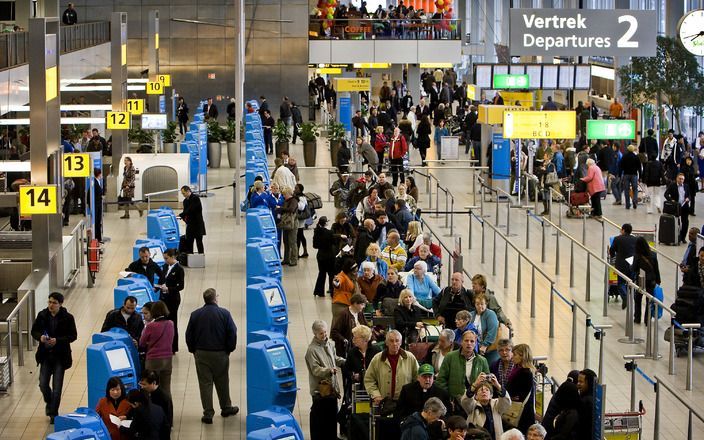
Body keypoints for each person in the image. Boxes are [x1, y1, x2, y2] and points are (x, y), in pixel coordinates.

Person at [185, 288, 239, 423]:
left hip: (201, 353)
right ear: (215, 298)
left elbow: (188, 334)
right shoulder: (224, 314)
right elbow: (232, 332)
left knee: (205, 384)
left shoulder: (195, 314)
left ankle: (208, 413)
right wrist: (229, 349)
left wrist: (193, 350)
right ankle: (226, 407)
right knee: (222, 381)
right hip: (220, 353)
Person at [31, 292, 78, 424]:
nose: (51, 305)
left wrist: (57, 340)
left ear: (60, 304)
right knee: (43, 384)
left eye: (54, 303)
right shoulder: (42, 315)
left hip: (60, 357)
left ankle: (53, 413)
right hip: (45, 355)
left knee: (57, 387)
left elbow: (73, 336)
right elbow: (34, 331)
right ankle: (50, 402)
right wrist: (40, 337)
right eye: (49, 302)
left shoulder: (68, 318)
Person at [305, 320, 346, 440]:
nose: (324, 335)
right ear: (315, 334)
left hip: (332, 388)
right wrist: (328, 370)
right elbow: (315, 370)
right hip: (320, 390)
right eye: (321, 334)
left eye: (325, 332)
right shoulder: (312, 350)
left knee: (332, 416)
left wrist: (344, 361)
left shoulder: (330, 344)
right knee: (320, 419)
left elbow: (334, 358)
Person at [436, 330, 490, 402]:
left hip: (475, 401)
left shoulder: (482, 361)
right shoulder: (450, 357)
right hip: (453, 401)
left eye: (472, 341)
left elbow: (487, 384)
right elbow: (441, 380)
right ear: (461, 342)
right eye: (466, 340)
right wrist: (448, 397)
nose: (469, 343)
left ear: (475, 343)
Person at [138, 300, 174, 396]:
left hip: (153, 360)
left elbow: (141, 343)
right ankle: (168, 410)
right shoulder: (170, 324)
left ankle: (154, 409)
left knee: (151, 388)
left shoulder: (150, 326)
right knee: (166, 388)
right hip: (168, 359)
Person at [461, 374, 511, 439]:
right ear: (476, 396)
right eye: (481, 390)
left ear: (491, 395)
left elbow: (507, 402)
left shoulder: (496, 404)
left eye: (487, 390)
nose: (484, 391)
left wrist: (497, 385)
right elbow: (465, 401)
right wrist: (475, 384)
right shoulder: (472, 405)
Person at [156, 248, 184, 354]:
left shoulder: (179, 269)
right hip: (163, 298)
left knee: (172, 322)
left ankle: (173, 346)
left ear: (173, 257)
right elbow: (161, 279)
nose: (165, 260)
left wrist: (169, 288)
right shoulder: (165, 266)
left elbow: (181, 286)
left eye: (166, 258)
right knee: (161, 322)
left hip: (172, 299)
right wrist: (157, 287)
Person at [505, 343, 536, 433]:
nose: (512, 357)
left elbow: (520, 395)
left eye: (515, 355)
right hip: (519, 410)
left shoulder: (526, 373)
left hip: (522, 413)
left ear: (522, 356)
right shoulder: (517, 369)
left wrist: (510, 395)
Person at [343, 324, 381, 396]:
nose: (353, 340)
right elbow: (346, 370)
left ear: (365, 339)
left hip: (375, 388)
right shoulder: (352, 352)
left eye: (356, 337)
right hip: (358, 389)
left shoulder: (376, 351)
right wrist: (353, 376)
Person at [630, 236, 661, 324]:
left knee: (638, 299)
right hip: (651, 280)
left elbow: (634, 269)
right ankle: (647, 319)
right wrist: (658, 280)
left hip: (641, 279)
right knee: (649, 300)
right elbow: (656, 269)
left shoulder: (637, 256)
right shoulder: (653, 255)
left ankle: (637, 318)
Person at [542, 370, 580, 438]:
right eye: (579, 381)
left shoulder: (563, 388)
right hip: (552, 431)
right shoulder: (569, 390)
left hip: (547, 427)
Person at [609, 223, 637, 308]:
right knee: (631, 282)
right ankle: (633, 297)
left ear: (623, 230)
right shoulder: (635, 239)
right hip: (632, 263)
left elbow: (612, 250)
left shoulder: (618, 239)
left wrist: (613, 256)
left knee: (620, 282)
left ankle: (625, 297)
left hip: (621, 264)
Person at [313, 216, 337, 297]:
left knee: (322, 273)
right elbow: (334, 242)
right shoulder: (330, 232)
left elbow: (315, 245)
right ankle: (332, 290)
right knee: (331, 274)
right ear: (326, 223)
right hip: (330, 255)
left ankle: (319, 291)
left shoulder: (316, 232)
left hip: (320, 256)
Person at [664, 173, 691, 243]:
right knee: (675, 222)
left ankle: (682, 237)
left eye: (682, 179)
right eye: (680, 179)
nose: (681, 180)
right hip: (675, 207)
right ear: (677, 179)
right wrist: (671, 200)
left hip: (684, 206)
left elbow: (689, 195)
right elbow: (666, 194)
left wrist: (688, 198)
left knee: (685, 223)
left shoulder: (686, 186)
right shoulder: (672, 185)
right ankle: (675, 237)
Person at [179, 185, 205, 254]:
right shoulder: (185, 201)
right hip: (190, 225)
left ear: (188, 191)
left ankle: (201, 257)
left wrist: (181, 215)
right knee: (189, 242)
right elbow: (186, 212)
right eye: (182, 194)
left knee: (199, 242)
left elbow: (190, 209)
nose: (183, 195)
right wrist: (185, 219)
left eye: (184, 193)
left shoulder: (195, 198)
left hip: (198, 224)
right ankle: (190, 258)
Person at [279, 186, 300, 266]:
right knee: (286, 241)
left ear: (288, 193)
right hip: (286, 223)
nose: (284, 196)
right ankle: (286, 259)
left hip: (292, 223)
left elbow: (291, 209)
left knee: (292, 241)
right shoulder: (286, 200)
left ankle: (294, 259)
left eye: (284, 194)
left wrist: (281, 208)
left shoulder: (294, 200)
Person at [576, 369, 598, 440]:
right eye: (578, 381)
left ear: (589, 383)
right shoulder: (595, 397)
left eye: (581, 382)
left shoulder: (586, 402)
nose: (578, 384)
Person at [90, 168, 105, 242]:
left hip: (98, 204)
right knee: (96, 222)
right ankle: (96, 238)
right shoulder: (94, 182)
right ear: (99, 174)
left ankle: (99, 238)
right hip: (96, 205)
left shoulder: (98, 182)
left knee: (98, 221)